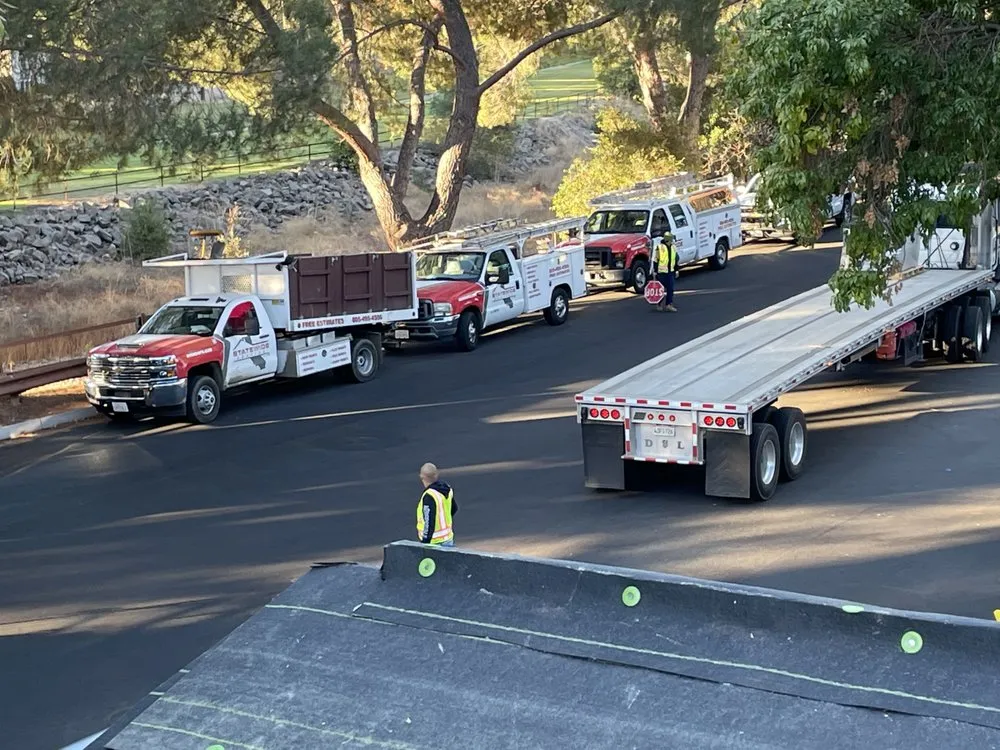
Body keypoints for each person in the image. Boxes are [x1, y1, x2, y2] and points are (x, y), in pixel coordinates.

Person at [416, 462, 458, 546]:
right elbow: (454, 508)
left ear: (422, 477)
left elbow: (429, 521)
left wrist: (425, 542)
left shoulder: (429, 496)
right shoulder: (447, 489)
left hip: (433, 543)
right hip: (448, 538)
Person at [653, 232, 678, 312]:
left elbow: (676, 259)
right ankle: (659, 304)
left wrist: (676, 270)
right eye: (671, 239)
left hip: (671, 271)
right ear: (668, 240)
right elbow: (656, 260)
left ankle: (669, 304)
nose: (672, 241)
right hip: (661, 272)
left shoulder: (673, 247)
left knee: (670, 288)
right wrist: (655, 271)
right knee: (661, 289)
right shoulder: (659, 247)